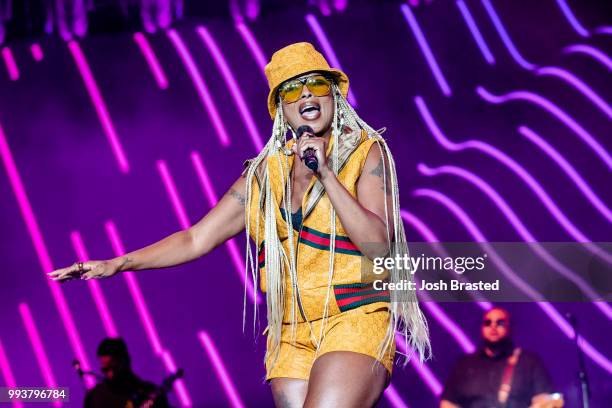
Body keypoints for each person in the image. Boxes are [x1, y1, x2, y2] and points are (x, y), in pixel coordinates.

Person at [49, 42, 430, 406]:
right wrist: (118, 263)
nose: (306, 96)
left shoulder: (366, 151)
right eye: (292, 89)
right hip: (290, 334)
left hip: (352, 318)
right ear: (281, 106)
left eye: (316, 84)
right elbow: (196, 238)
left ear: (334, 94)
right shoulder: (265, 175)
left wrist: (326, 174)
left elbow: (380, 245)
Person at [440, 307, 561, 408]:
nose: (493, 326)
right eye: (488, 323)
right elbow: (448, 403)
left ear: (510, 328)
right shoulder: (464, 364)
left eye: (500, 322)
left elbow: (544, 399)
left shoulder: (529, 362)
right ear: (481, 328)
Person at [84, 338, 170, 408]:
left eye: (115, 368)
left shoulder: (148, 391)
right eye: (105, 369)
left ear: (126, 361)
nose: (111, 374)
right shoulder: (95, 397)